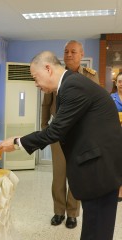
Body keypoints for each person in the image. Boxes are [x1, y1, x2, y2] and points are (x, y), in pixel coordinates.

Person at [0, 51, 122, 240]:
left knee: (97, 231)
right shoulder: (67, 86)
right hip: (98, 167)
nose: (35, 84)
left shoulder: (73, 86)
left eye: (35, 77)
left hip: (100, 171)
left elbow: (55, 131)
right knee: (95, 229)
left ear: (48, 68)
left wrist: (17, 142)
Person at [41, 40, 99, 229]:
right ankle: (59, 212)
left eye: (73, 52)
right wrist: (44, 126)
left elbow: (96, 105)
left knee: (76, 175)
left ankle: (72, 213)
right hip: (58, 132)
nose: (69, 55)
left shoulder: (90, 77)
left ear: (82, 55)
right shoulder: (55, 75)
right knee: (59, 175)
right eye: (66, 51)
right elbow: (46, 102)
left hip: (80, 134)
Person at [110, 72, 122, 202]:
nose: (121, 84)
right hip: (116, 135)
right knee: (117, 163)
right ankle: (117, 190)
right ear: (116, 83)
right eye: (119, 81)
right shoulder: (111, 98)